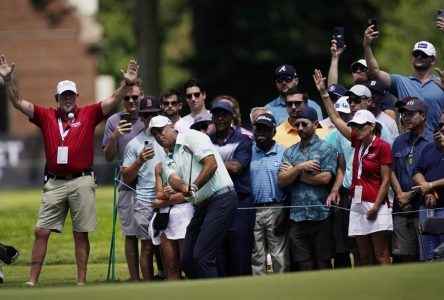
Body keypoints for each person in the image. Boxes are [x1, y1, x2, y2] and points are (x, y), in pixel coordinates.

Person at [0, 54, 139, 286]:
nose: (68, 99)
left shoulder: (89, 113)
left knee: (80, 232)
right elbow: (18, 103)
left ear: (77, 97)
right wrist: (8, 80)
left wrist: (128, 83)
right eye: (64, 95)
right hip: (54, 182)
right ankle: (32, 281)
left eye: (71, 95)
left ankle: (81, 282)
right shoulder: (46, 116)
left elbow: (115, 98)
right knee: (41, 231)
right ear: (57, 98)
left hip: (81, 180)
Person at [314, 69, 393, 266]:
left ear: (371, 126)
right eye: (355, 126)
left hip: (377, 203)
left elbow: (386, 180)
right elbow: (336, 119)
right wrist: (324, 94)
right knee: (363, 255)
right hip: (356, 202)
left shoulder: (381, 145)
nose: (356, 129)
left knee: (381, 255)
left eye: (360, 126)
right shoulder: (356, 141)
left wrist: (375, 207)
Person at [148, 116, 237, 279]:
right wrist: (183, 188)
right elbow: (173, 178)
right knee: (187, 260)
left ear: (172, 126)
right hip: (202, 205)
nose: (159, 136)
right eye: (154, 134)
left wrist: (193, 186)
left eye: (161, 130)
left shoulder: (192, 136)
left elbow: (211, 164)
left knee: (202, 256)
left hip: (222, 198)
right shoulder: (167, 160)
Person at [277, 107, 337, 271]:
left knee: (323, 262)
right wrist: (300, 167)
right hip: (297, 217)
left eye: (304, 124)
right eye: (297, 125)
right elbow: (282, 180)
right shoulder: (290, 151)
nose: (300, 128)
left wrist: (294, 173)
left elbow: (325, 178)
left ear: (315, 124)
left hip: (321, 214)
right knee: (304, 264)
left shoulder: (327, 148)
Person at [102, 79, 145, 281]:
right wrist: (114, 137)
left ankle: (158, 274)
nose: (130, 101)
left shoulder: (151, 116)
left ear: (142, 96)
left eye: (135, 97)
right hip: (127, 185)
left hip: (151, 184)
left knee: (152, 235)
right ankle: (135, 279)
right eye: (126, 97)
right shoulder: (114, 121)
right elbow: (108, 156)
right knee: (130, 233)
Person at [121, 96, 166, 280]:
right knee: (147, 248)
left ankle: (172, 281)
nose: (150, 118)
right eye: (146, 115)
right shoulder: (134, 144)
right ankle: (147, 287)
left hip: (168, 199)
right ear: (140, 117)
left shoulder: (169, 137)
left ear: (160, 113)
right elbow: (127, 176)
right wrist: (139, 160)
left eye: (154, 114)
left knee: (167, 245)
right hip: (145, 201)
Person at [363, 26, 444, 129]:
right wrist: (367, 46)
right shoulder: (400, 82)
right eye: (416, 54)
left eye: (424, 55)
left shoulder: (440, 83)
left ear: (433, 60)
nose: (419, 57)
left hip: (435, 142)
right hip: (407, 141)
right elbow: (375, 72)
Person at [209, 101, 254, 276]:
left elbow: (237, 167)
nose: (220, 118)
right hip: (214, 201)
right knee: (219, 252)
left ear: (231, 117)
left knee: (240, 252)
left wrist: (210, 163)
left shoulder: (243, 140)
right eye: (216, 115)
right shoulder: (208, 140)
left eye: (224, 114)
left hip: (239, 202)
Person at [391, 97, 432, 263]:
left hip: (424, 204)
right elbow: (391, 171)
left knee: (426, 255)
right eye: (403, 114)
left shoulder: (434, 140)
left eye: (410, 114)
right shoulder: (399, 141)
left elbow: (432, 175)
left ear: (422, 116)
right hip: (401, 206)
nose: (405, 117)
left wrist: (411, 195)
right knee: (404, 256)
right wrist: (401, 196)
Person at [250, 113, 289, 275]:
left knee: (278, 256)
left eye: (265, 130)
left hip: (276, 208)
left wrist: (285, 213)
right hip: (253, 210)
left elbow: (290, 186)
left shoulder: (284, 153)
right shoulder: (249, 152)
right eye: (258, 129)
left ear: (274, 132)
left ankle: (283, 291)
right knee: (256, 256)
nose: (261, 133)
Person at [327, 37, 396, 120]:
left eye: (363, 68)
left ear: (371, 73)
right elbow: (332, 88)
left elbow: (390, 119)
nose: (358, 71)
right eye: (355, 69)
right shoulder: (349, 93)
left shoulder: (380, 92)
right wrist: (335, 57)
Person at [150, 162, 194, 280]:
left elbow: (189, 193)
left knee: (187, 264)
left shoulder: (185, 160)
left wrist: (167, 198)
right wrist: (168, 195)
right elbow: (159, 194)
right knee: (171, 266)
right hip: (166, 217)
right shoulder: (159, 166)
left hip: (185, 214)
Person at [412, 110, 444, 260]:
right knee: (428, 256)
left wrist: (431, 185)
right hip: (428, 207)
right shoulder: (429, 147)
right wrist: (426, 189)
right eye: (441, 124)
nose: (442, 128)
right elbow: (416, 171)